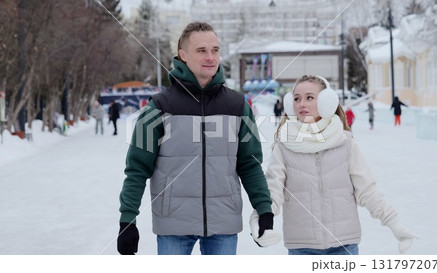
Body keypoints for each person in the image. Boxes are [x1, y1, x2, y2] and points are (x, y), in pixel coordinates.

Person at [117, 22, 277, 255]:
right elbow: (137, 168)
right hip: (173, 224)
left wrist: (264, 210)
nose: (210, 57)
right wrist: (127, 220)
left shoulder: (238, 106)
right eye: (201, 50)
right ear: (183, 55)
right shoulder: (159, 107)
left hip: (223, 223)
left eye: (215, 50)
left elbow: (250, 164)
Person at [256, 75, 416, 255]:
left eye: (309, 97)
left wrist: (394, 224)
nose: (301, 103)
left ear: (327, 101)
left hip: (344, 245)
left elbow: (367, 190)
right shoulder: (284, 147)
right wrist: (260, 219)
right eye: (296, 98)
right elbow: (272, 191)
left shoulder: (345, 143)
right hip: (302, 246)